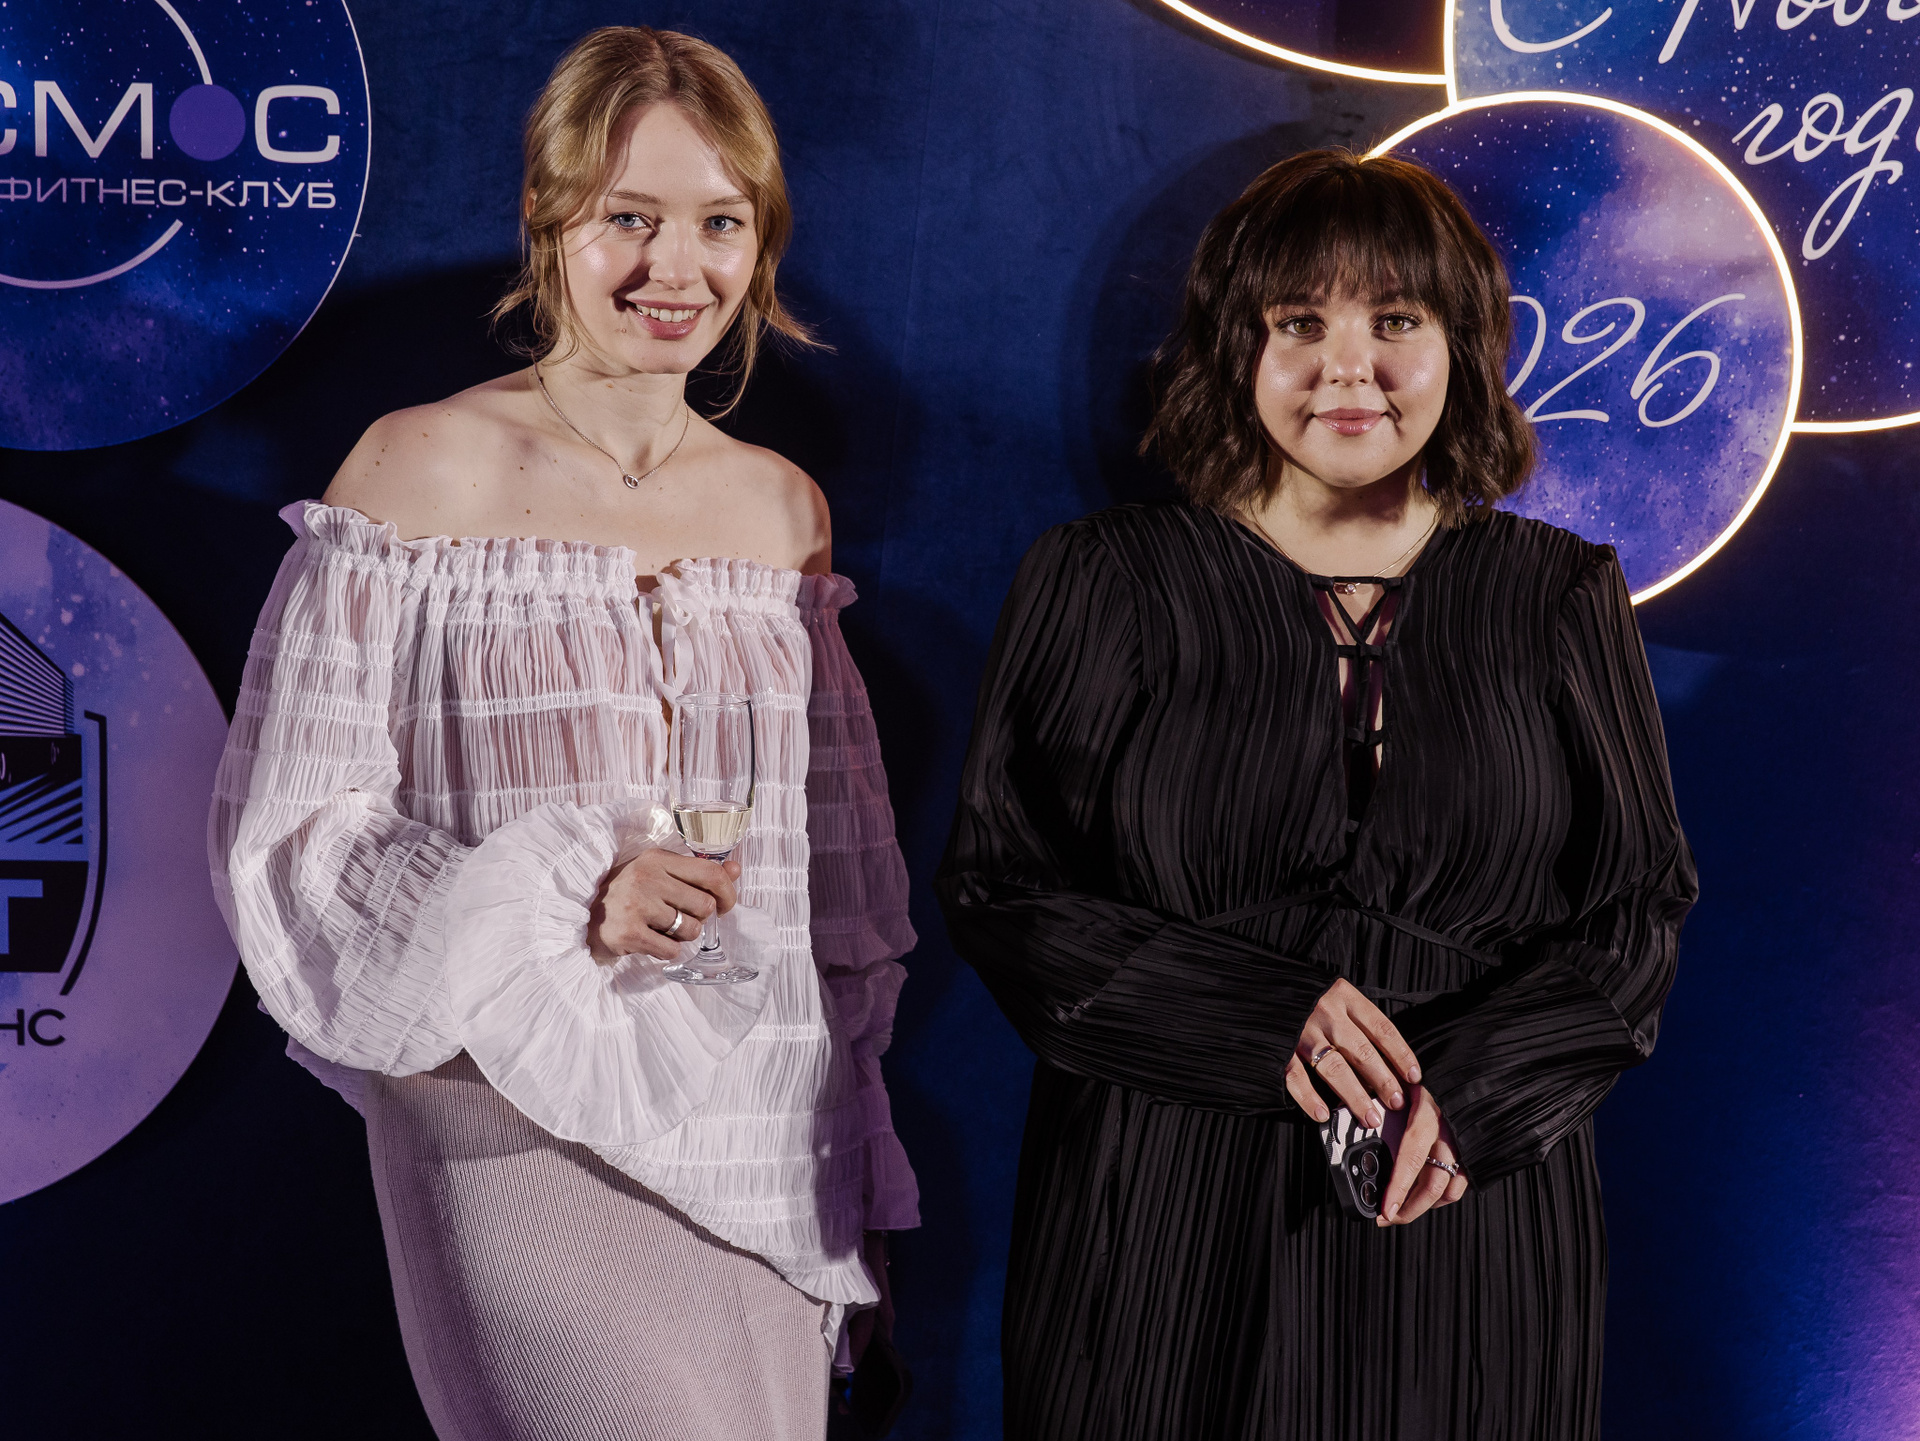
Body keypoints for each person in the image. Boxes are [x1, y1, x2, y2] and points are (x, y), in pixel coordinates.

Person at [209, 28, 917, 1441]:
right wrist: (570, 892)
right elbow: (297, 832)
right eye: (629, 218)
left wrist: (860, 1183)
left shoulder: (783, 509)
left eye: (720, 223)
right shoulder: (420, 466)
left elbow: (834, 893)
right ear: (547, 214)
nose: (676, 268)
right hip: (508, 1115)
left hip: (762, 1140)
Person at [936, 149, 1696, 1439]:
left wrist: (1479, 1096)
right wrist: (1250, 1010)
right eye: (1300, 324)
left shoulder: (1560, 592)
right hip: (1161, 1200)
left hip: (1461, 1211)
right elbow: (1002, 885)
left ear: (1463, 346)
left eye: (1395, 321)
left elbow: (1638, 908)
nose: (1350, 369)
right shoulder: (1101, 577)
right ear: (1237, 347)